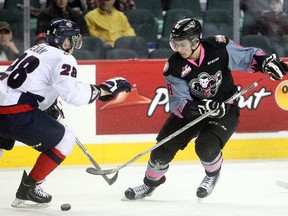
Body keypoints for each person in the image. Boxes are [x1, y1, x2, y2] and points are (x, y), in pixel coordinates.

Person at [124, 17, 287, 201]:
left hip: (224, 108)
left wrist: (265, 63)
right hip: (191, 112)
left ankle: (212, 175)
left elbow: (248, 57)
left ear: (195, 41)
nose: (178, 49)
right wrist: (202, 107)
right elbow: (179, 104)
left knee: (206, 146)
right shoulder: (174, 67)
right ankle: (150, 184)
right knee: (161, 150)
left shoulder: (219, 47)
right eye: (174, 44)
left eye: (182, 44)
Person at [0, 18, 131, 208]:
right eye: (72, 39)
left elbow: (27, 85)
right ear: (65, 40)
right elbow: (75, 96)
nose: (74, 44)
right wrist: (104, 89)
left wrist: (47, 105)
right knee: (66, 138)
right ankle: (28, 189)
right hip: (17, 113)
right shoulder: (64, 57)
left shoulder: (34, 50)